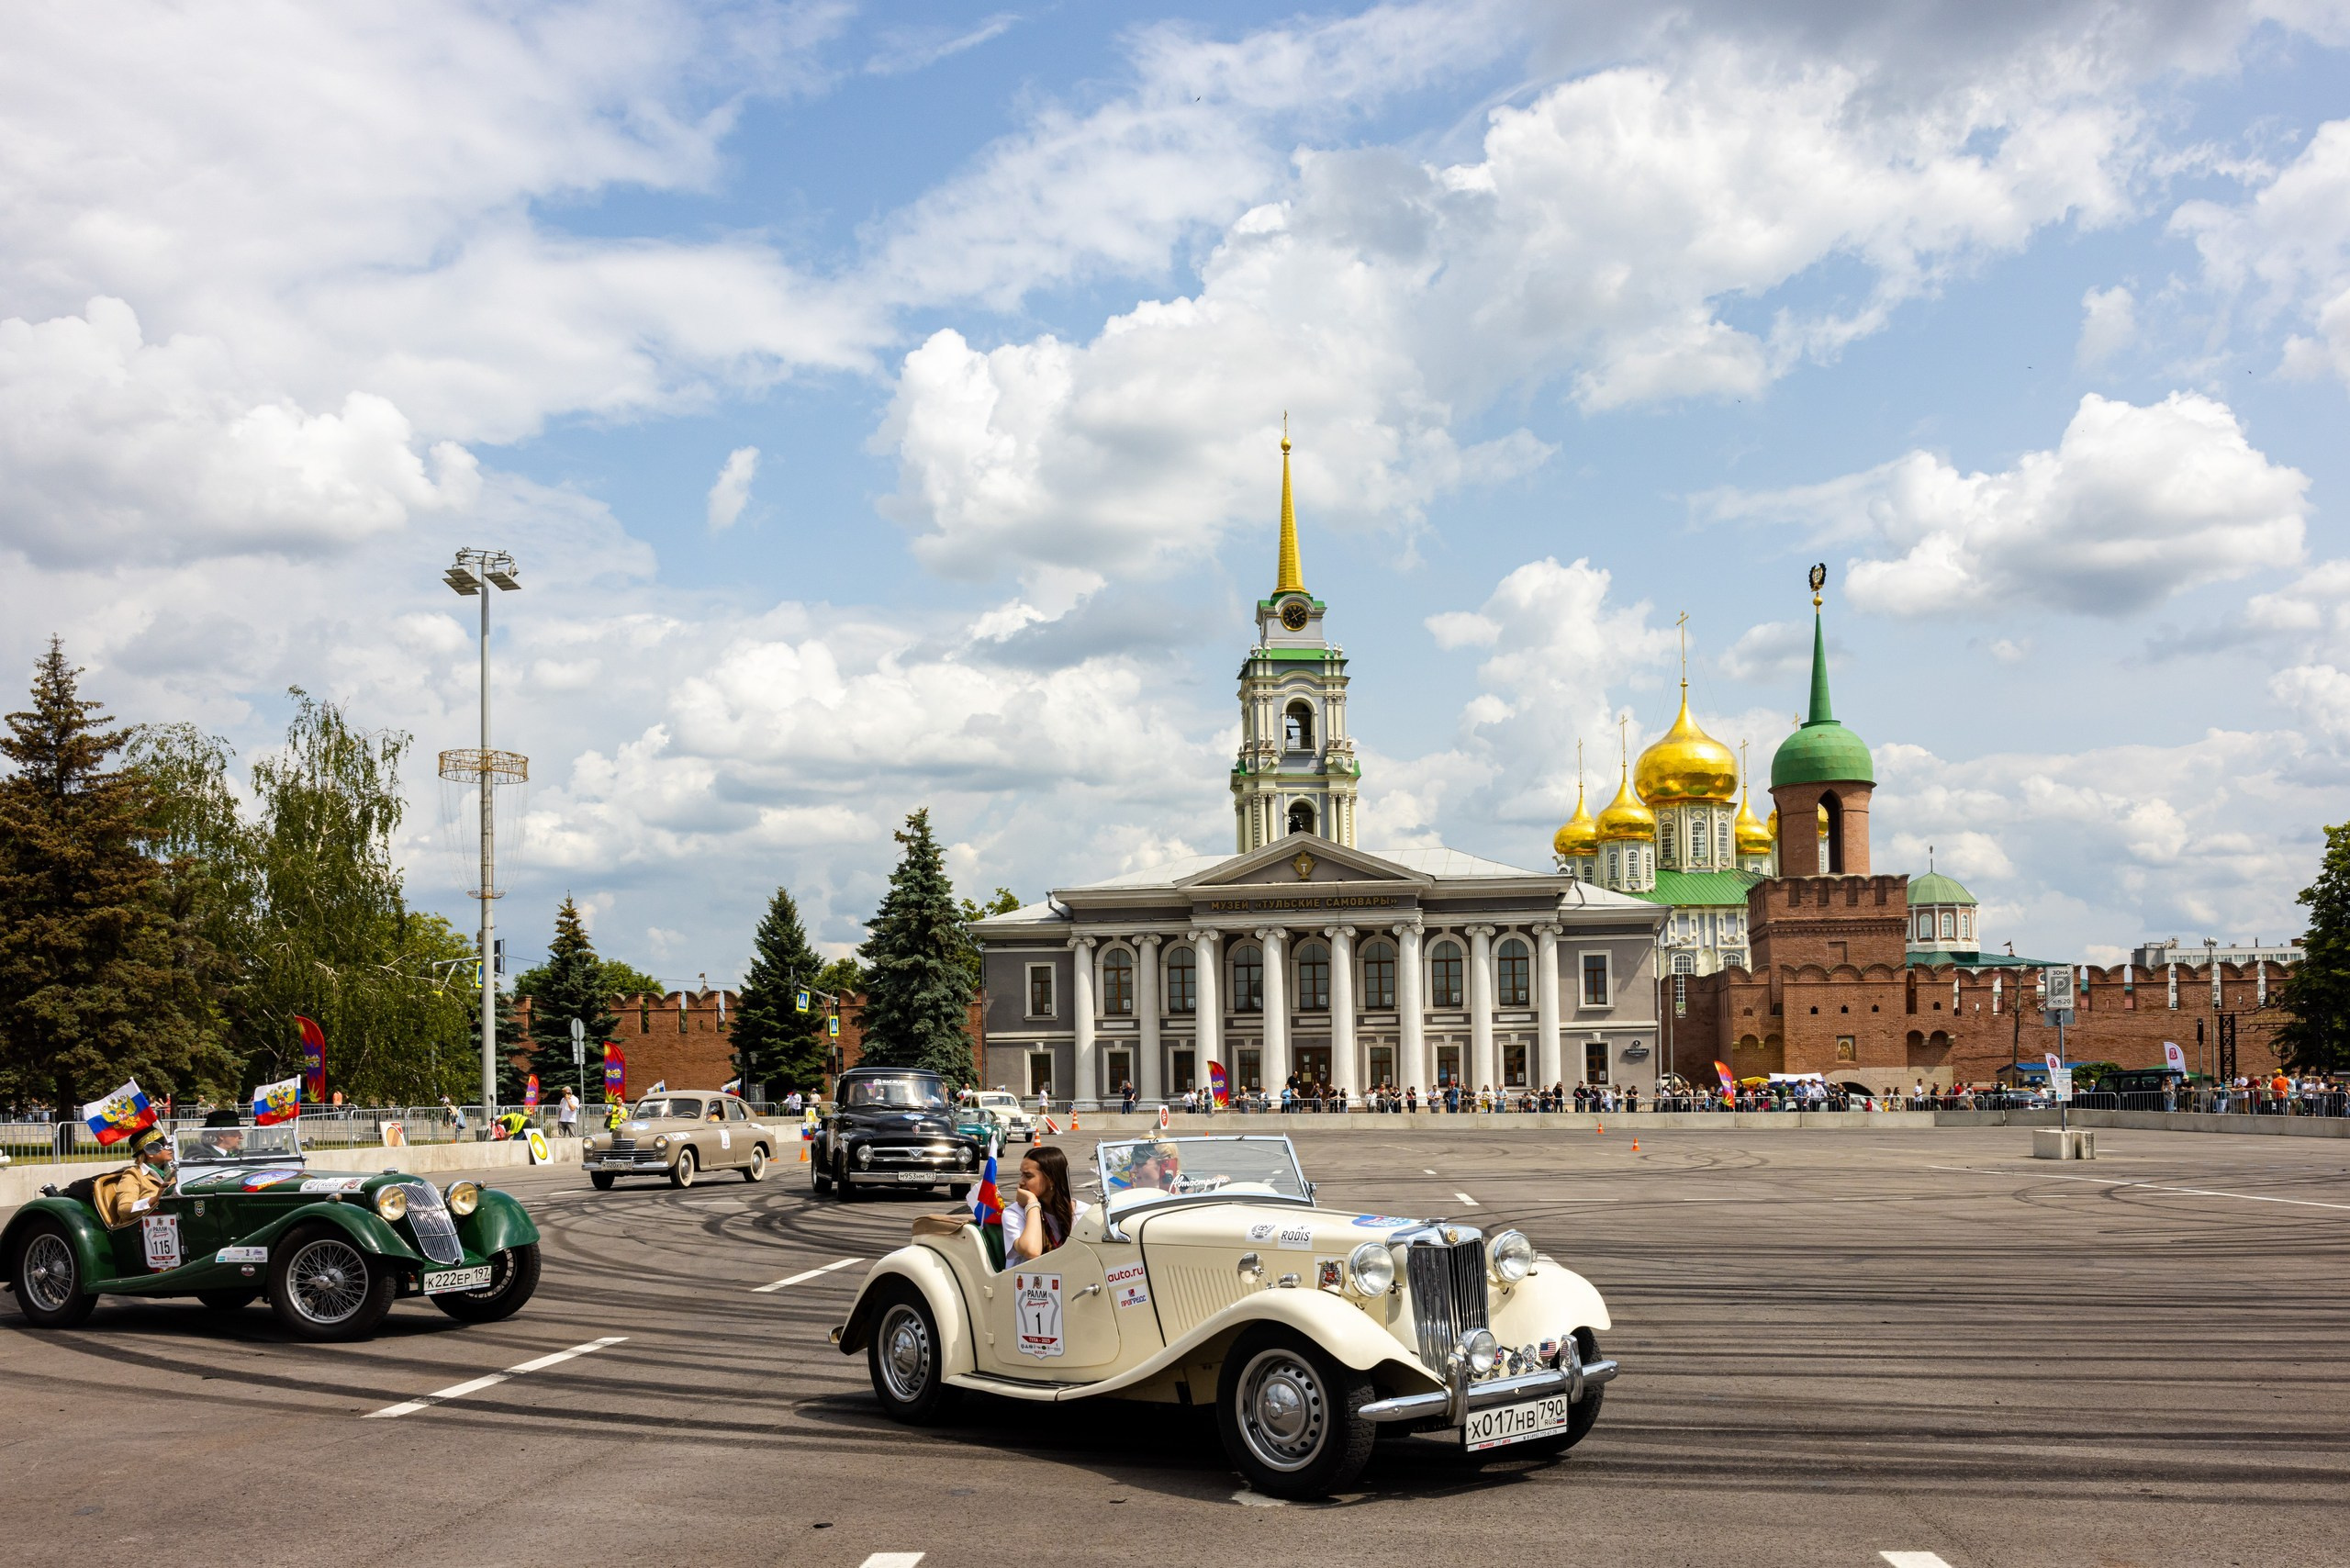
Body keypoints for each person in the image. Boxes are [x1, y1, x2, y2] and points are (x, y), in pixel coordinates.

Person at [1003, 1145, 1091, 1261]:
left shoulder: (1085, 1213)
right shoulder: (1014, 1213)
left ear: (1051, 1179)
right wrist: (1032, 1203)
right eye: (1021, 1174)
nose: (1021, 1182)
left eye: (1028, 1176)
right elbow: (1032, 1251)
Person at [91, 1126, 175, 1227]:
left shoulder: (174, 1172)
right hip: (143, 1229)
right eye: (163, 1145)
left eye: (169, 1144)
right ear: (150, 1152)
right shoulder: (133, 1175)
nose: (170, 1148)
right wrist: (154, 1199)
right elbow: (124, 1209)